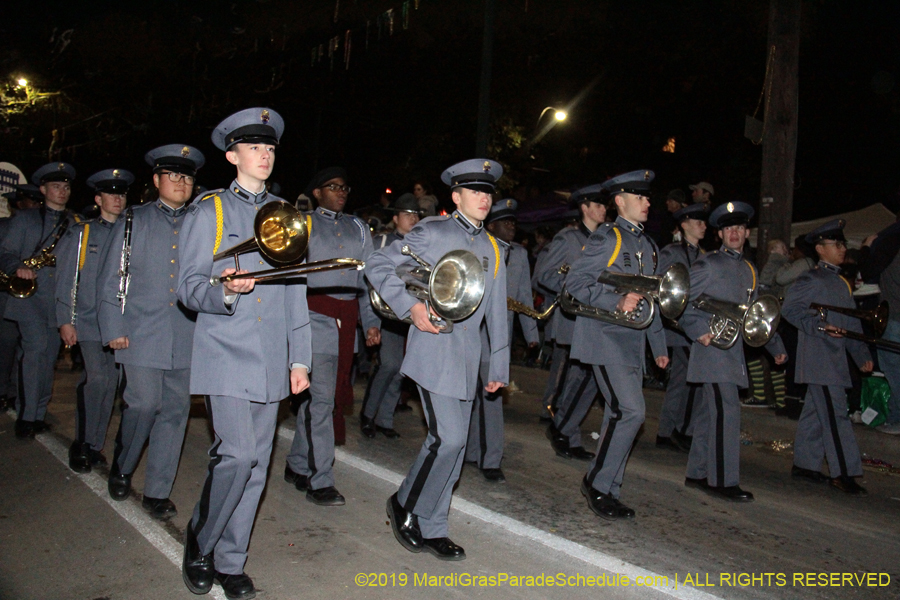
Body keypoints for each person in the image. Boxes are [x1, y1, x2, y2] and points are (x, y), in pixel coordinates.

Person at [178, 108, 311, 599]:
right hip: (227, 352)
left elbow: (297, 292)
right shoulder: (209, 210)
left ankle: (232, 560)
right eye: (254, 147)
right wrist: (227, 291)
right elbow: (189, 287)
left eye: (271, 148)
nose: (265, 155)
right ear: (232, 155)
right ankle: (201, 540)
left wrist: (300, 360)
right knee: (235, 456)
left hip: (272, 356)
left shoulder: (288, 215)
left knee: (257, 465)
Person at [367, 158, 508, 561]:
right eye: (475, 191)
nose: (483, 198)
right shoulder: (433, 231)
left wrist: (498, 366)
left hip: (468, 356)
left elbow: (498, 312)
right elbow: (378, 264)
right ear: (456, 196)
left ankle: (434, 526)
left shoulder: (495, 248)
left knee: (454, 447)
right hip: (433, 348)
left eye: (488, 192)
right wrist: (407, 306)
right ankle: (405, 503)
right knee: (449, 439)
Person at [96, 145, 204, 518]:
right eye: (173, 175)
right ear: (156, 180)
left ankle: (158, 490)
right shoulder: (133, 220)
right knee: (142, 404)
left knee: (175, 412)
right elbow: (109, 277)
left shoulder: (202, 222)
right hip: (140, 331)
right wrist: (113, 326)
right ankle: (123, 466)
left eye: (187, 176)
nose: (181, 182)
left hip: (187, 334)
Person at [566, 170, 669, 520]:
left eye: (648, 197)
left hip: (632, 343)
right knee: (632, 412)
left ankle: (609, 489)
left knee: (619, 414)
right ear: (620, 201)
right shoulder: (606, 239)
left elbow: (651, 299)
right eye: (640, 197)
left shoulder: (649, 246)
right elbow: (575, 283)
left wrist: (658, 345)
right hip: (604, 338)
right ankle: (597, 483)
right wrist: (615, 300)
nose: (648, 203)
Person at [284, 166, 380, 506]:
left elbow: (367, 281)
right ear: (317, 193)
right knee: (323, 400)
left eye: (345, 187)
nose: (341, 192)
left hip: (348, 321)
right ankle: (320, 479)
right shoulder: (304, 225)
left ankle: (297, 463)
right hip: (313, 318)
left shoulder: (358, 227)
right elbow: (290, 280)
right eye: (333, 187)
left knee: (322, 400)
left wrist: (371, 323)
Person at [680, 201, 787, 502]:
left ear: (747, 232)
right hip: (712, 351)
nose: (734, 233)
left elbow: (755, 316)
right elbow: (680, 300)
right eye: (729, 229)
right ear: (720, 234)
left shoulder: (750, 270)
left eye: (739, 228)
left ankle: (697, 472)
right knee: (727, 413)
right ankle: (723, 480)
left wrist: (774, 346)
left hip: (732, 354)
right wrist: (697, 329)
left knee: (708, 416)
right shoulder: (708, 264)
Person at [782, 220, 872, 494]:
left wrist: (861, 354)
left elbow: (852, 323)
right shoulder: (811, 279)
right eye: (837, 245)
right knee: (835, 417)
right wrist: (820, 327)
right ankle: (843, 471)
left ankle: (805, 465)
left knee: (815, 414)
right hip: (818, 360)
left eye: (843, 244)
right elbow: (790, 310)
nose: (842, 249)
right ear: (821, 249)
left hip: (833, 361)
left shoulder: (841, 283)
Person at [56, 168, 131, 472]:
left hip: (121, 323)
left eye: (122, 193)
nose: (117, 198)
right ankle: (82, 443)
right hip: (87, 320)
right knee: (97, 379)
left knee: (111, 384)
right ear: (98, 199)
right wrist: (65, 319)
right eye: (111, 194)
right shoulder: (82, 232)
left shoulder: (130, 233)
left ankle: (95, 443)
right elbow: (64, 279)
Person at [0, 162, 79, 438]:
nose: (62, 191)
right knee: (35, 354)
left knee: (48, 358)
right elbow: (6, 252)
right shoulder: (24, 220)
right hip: (30, 299)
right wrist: (17, 267)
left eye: (66, 187)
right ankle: (27, 416)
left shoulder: (75, 223)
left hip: (58, 302)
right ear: (43, 189)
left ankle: (38, 411)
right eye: (56, 186)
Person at [464, 198, 538, 482]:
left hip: (499, 335)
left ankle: (491, 459)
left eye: (514, 222)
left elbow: (523, 296)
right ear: (490, 225)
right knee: (470, 394)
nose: (511, 226)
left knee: (492, 396)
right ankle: (471, 451)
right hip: (473, 330)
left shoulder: (519, 255)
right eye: (505, 222)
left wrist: (531, 334)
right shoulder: (477, 246)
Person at [537, 185, 606, 461]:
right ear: (585, 208)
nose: (603, 209)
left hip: (596, 320)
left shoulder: (604, 239)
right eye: (598, 205)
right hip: (573, 319)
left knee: (587, 382)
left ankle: (565, 430)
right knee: (572, 381)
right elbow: (544, 275)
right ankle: (564, 432)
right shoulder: (567, 238)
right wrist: (574, 288)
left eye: (604, 205)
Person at [359, 193, 421, 438]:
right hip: (387, 314)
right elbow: (368, 284)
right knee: (390, 365)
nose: (413, 218)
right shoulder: (382, 242)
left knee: (402, 370)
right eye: (407, 214)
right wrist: (371, 323)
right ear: (395, 218)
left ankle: (385, 420)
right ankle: (368, 414)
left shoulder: (424, 245)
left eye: (416, 214)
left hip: (413, 315)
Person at [655, 202, 707, 452]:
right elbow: (663, 289)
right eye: (698, 222)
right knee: (692, 379)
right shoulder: (671, 252)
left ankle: (667, 431)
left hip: (694, 325)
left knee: (681, 381)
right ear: (684, 224)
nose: (704, 226)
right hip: (677, 326)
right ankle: (681, 429)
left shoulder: (704, 255)